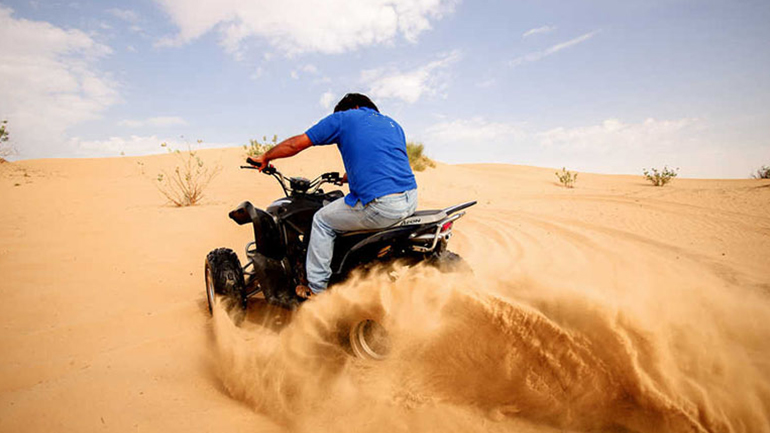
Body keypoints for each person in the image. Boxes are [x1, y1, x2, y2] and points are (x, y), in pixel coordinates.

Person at [250, 93, 418, 298]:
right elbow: (384, 162)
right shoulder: (393, 125)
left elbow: (296, 144)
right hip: (409, 200)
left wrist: (266, 156)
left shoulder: (345, 118)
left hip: (381, 205)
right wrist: (347, 178)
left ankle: (316, 289)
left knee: (321, 220)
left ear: (352, 107)